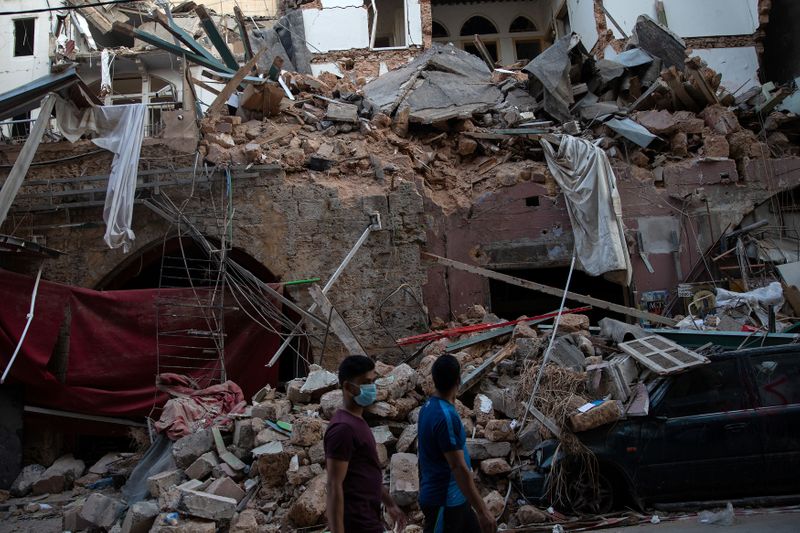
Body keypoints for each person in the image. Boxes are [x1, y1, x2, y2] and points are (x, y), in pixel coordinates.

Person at [325, 355, 407, 533]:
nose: (372, 387)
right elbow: (333, 485)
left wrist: (390, 504)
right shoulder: (343, 429)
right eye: (365, 382)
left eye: (373, 381)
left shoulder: (357, 420)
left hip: (368, 517)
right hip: (356, 522)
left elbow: (367, 470)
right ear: (347, 387)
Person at [417, 354, 497, 533]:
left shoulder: (428, 407)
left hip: (456, 498)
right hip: (444, 502)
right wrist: (483, 510)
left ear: (434, 380)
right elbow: (458, 467)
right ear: (458, 380)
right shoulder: (445, 416)